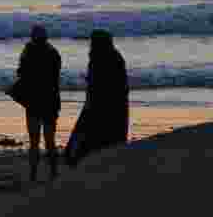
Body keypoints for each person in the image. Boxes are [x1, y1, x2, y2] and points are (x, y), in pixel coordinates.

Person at [66, 29, 129, 167]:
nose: (90, 45)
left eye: (93, 42)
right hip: (110, 106)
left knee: (90, 139)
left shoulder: (101, 58)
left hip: (101, 106)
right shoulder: (112, 57)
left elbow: (100, 86)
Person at [12, 24, 62, 182]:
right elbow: (55, 77)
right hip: (50, 101)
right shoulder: (54, 53)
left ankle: (33, 175)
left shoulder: (28, 52)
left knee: (34, 141)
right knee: (50, 140)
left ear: (33, 37)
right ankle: (53, 173)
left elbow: (21, 73)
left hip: (34, 102)